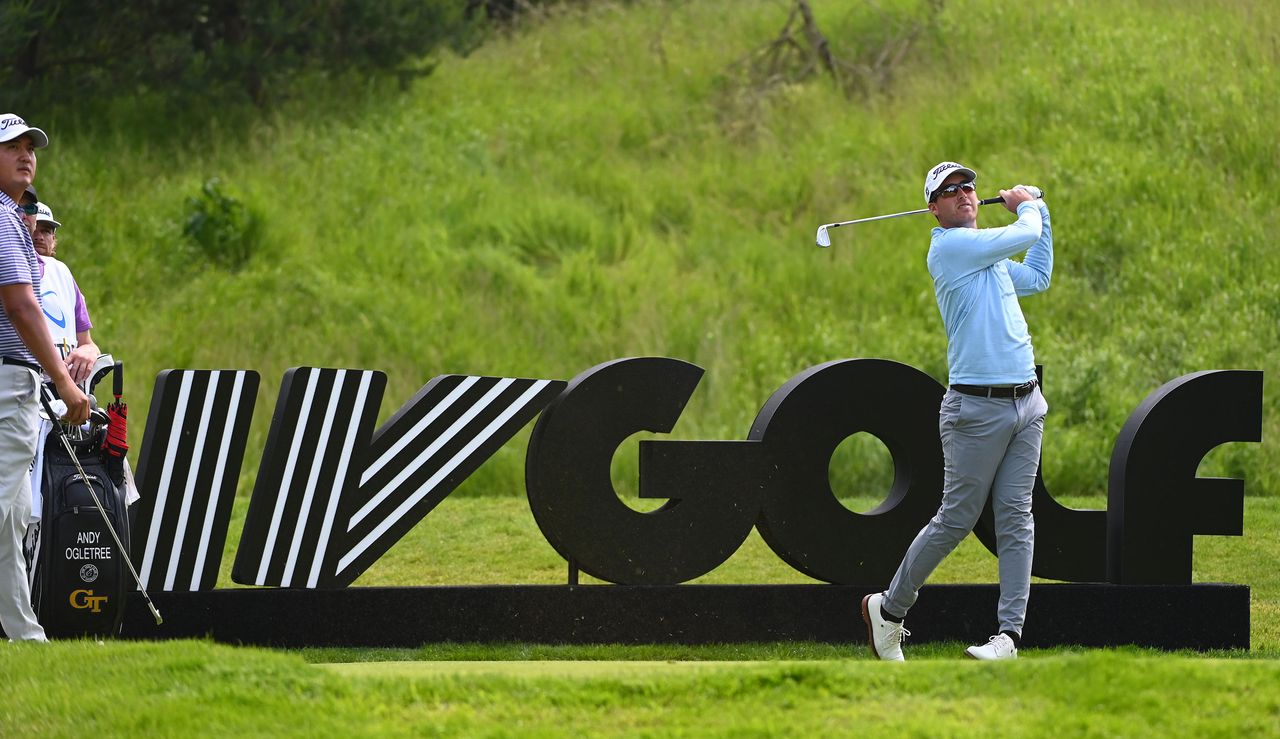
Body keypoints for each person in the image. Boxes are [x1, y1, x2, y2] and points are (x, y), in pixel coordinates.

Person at [861, 161, 1052, 661]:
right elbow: (1022, 232)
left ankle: (1009, 637)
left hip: (1026, 403)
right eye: (949, 191)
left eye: (968, 186)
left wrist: (1042, 213)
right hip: (976, 410)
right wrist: (1029, 205)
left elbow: (1037, 274)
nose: (964, 193)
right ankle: (889, 609)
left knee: (1016, 518)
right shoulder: (950, 248)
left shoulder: (986, 256)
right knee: (957, 518)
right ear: (934, 208)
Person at [0, 113, 90, 642]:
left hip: (11, 378)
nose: (26, 154)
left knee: (11, 517)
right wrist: (64, 379)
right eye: (12, 146)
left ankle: (23, 634)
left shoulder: (15, 216)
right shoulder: (3, 218)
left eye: (30, 146)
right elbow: (21, 306)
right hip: (9, 380)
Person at [31, 202, 99, 383]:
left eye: (46, 231)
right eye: (34, 227)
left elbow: (87, 342)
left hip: (65, 391)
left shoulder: (63, 273)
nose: (38, 236)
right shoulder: (11, 270)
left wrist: (88, 351)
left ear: (53, 239)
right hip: (26, 386)